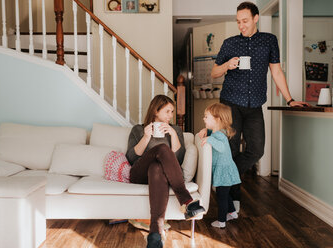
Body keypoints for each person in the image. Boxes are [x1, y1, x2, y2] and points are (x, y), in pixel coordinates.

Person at [207, 1, 310, 211]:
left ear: (255, 18)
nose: (241, 25)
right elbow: (214, 72)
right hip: (230, 103)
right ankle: (232, 203)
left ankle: (221, 178)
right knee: (232, 150)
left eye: (245, 21)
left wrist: (289, 99)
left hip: (254, 105)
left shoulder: (269, 41)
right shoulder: (230, 43)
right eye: (238, 22)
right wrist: (227, 65)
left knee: (257, 150)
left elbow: (276, 72)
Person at [126, 95, 205, 248]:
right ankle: (186, 200)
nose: (171, 115)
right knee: (162, 149)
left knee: (156, 167)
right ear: (156, 111)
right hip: (139, 174)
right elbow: (130, 157)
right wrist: (146, 136)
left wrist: (174, 135)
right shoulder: (138, 129)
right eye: (167, 111)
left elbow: (178, 160)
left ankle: (155, 234)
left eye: (172, 112)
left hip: (159, 177)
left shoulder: (174, 129)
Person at [200, 103, 241, 229]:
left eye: (206, 117)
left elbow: (222, 147)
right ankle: (233, 213)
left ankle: (221, 221)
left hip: (223, 171)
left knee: (221, 197)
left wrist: (209, 140)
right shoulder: (219, 132)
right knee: (225, 194)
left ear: (217, 119)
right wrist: (207, 131)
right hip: (225, 170)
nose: (203, 119)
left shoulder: (218, 136)